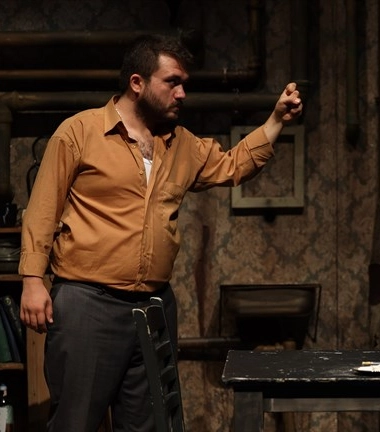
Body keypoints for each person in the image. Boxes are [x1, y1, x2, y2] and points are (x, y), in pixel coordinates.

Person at [18, 33, 302, 432]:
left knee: (149, 425)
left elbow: (234, 165)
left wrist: (275, 120)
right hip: (88, 303)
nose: (182, 93)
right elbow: (42, 208)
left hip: (153, 306)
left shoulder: (181, 144)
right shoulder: (79, 132)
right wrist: (32, 280)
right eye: (172, 82)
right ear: (137, 83)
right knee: (75, 422)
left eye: (184, 83)